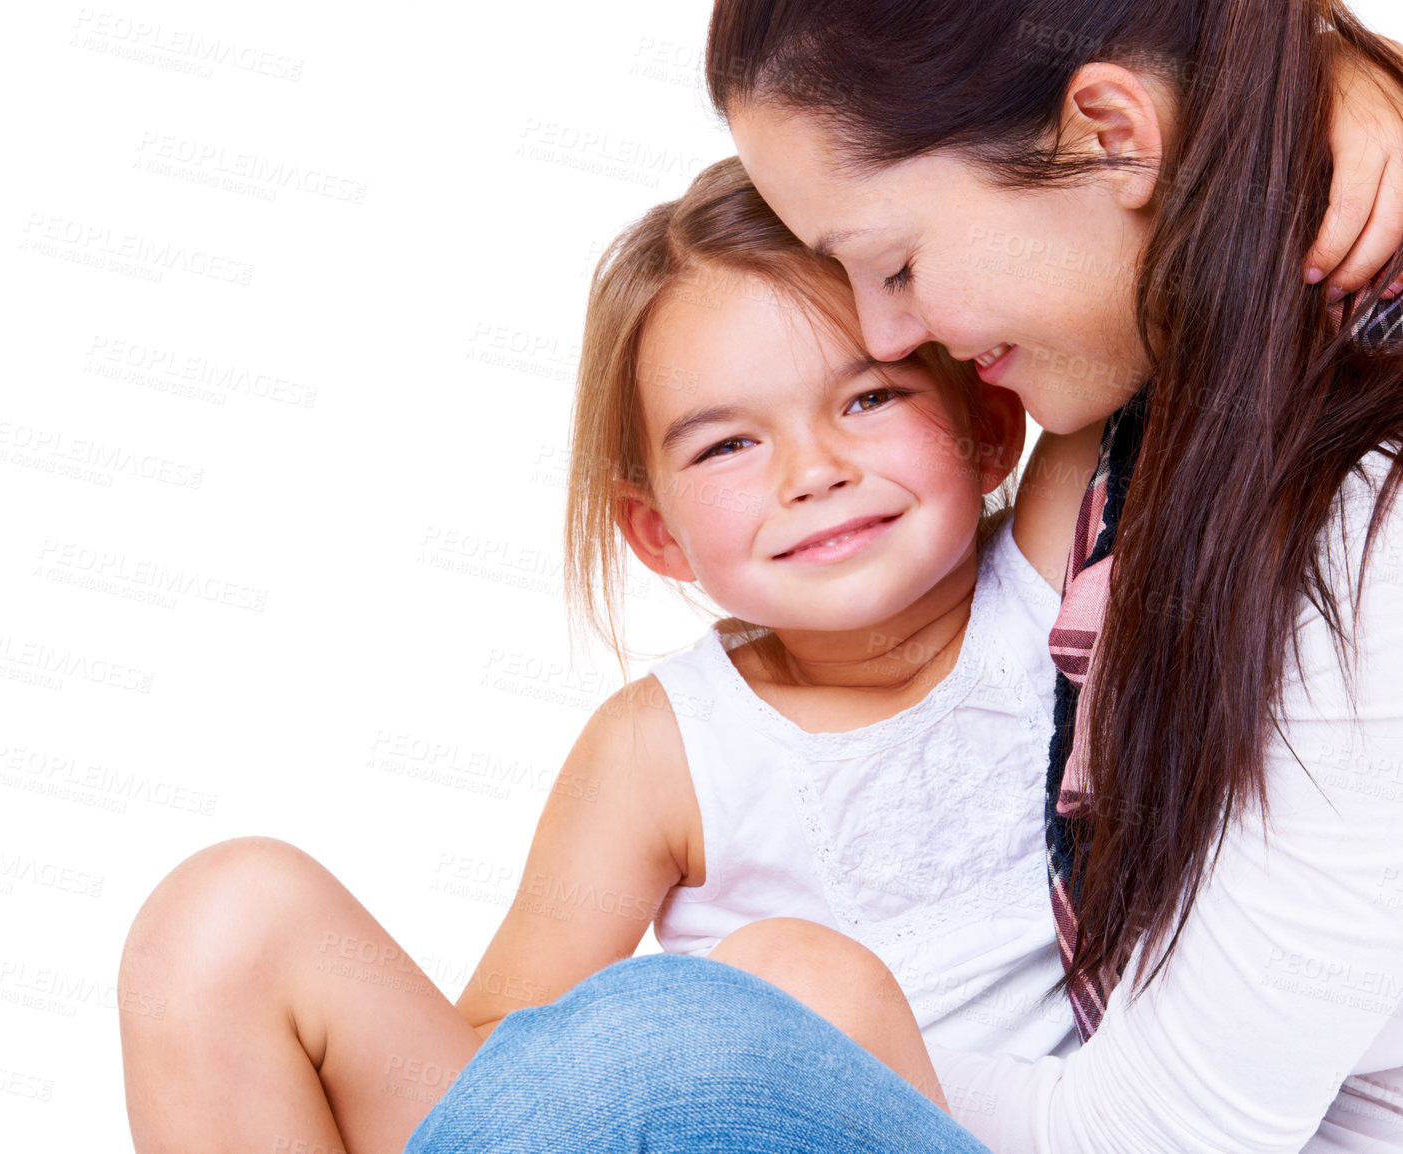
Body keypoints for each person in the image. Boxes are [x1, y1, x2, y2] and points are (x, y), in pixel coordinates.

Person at [404, 1, 1403, 1151]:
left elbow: (1171, 1134)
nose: (888, 334)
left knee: (672, 1041)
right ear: (656, 529)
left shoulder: (1356, 530)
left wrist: (783, 1036)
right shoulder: (1169, 401)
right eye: (727, 444)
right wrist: (1328, 74)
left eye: (895, 262)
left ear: (1109, 134)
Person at [116, 154, 1110, 1153]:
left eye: (869, 399)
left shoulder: (1050, 569)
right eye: (727, 446)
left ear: (990, 423)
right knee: (226, 917)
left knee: (799, 980)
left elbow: (1157, 303)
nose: (813, 471)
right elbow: (507, 1066)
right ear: (658, 532)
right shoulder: (663, 747)